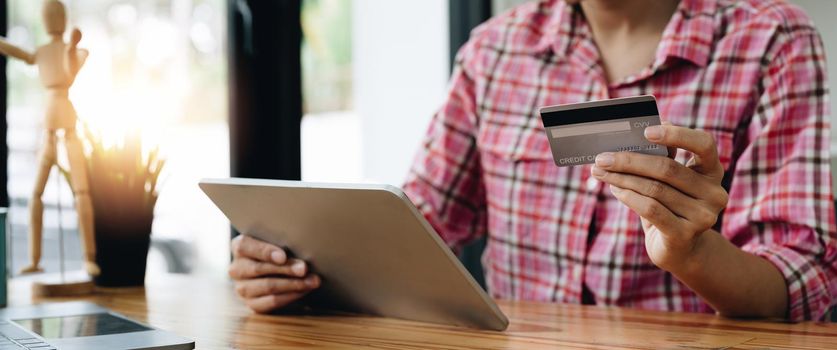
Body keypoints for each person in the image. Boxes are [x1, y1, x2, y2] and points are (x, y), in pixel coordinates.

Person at [229, 0, 836, 321]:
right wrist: (295, 268)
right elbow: (416, 231)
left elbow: (801, 287)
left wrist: (694, 253)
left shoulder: (773, 40)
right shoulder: (494, 50)